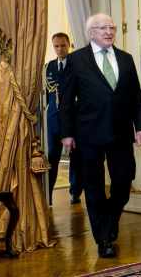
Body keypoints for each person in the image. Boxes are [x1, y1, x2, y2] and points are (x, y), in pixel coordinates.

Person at [60, 13, 141, 258]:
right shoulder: (76, 60)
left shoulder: (126, 59)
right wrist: (66, 133)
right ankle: (104, 238)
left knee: (123, 181)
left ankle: (109, 218)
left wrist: (140, 127)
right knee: (94, 186)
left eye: (112, 27)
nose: (109, 32)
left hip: (120, 133)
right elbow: (66, 100)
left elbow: (137, 99)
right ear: (91, 33)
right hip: (88, 133)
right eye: (102, 28)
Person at [45, 32, 83, 206]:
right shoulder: (48, 67)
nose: (60, 49)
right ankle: (48, 194)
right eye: (56, 46)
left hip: (74, 118)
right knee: (52, 157)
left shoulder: (77, 65)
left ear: (69, 45)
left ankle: (75, 192)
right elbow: (47, 95)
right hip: (54, 119)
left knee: (76, 156)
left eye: (63, 45)